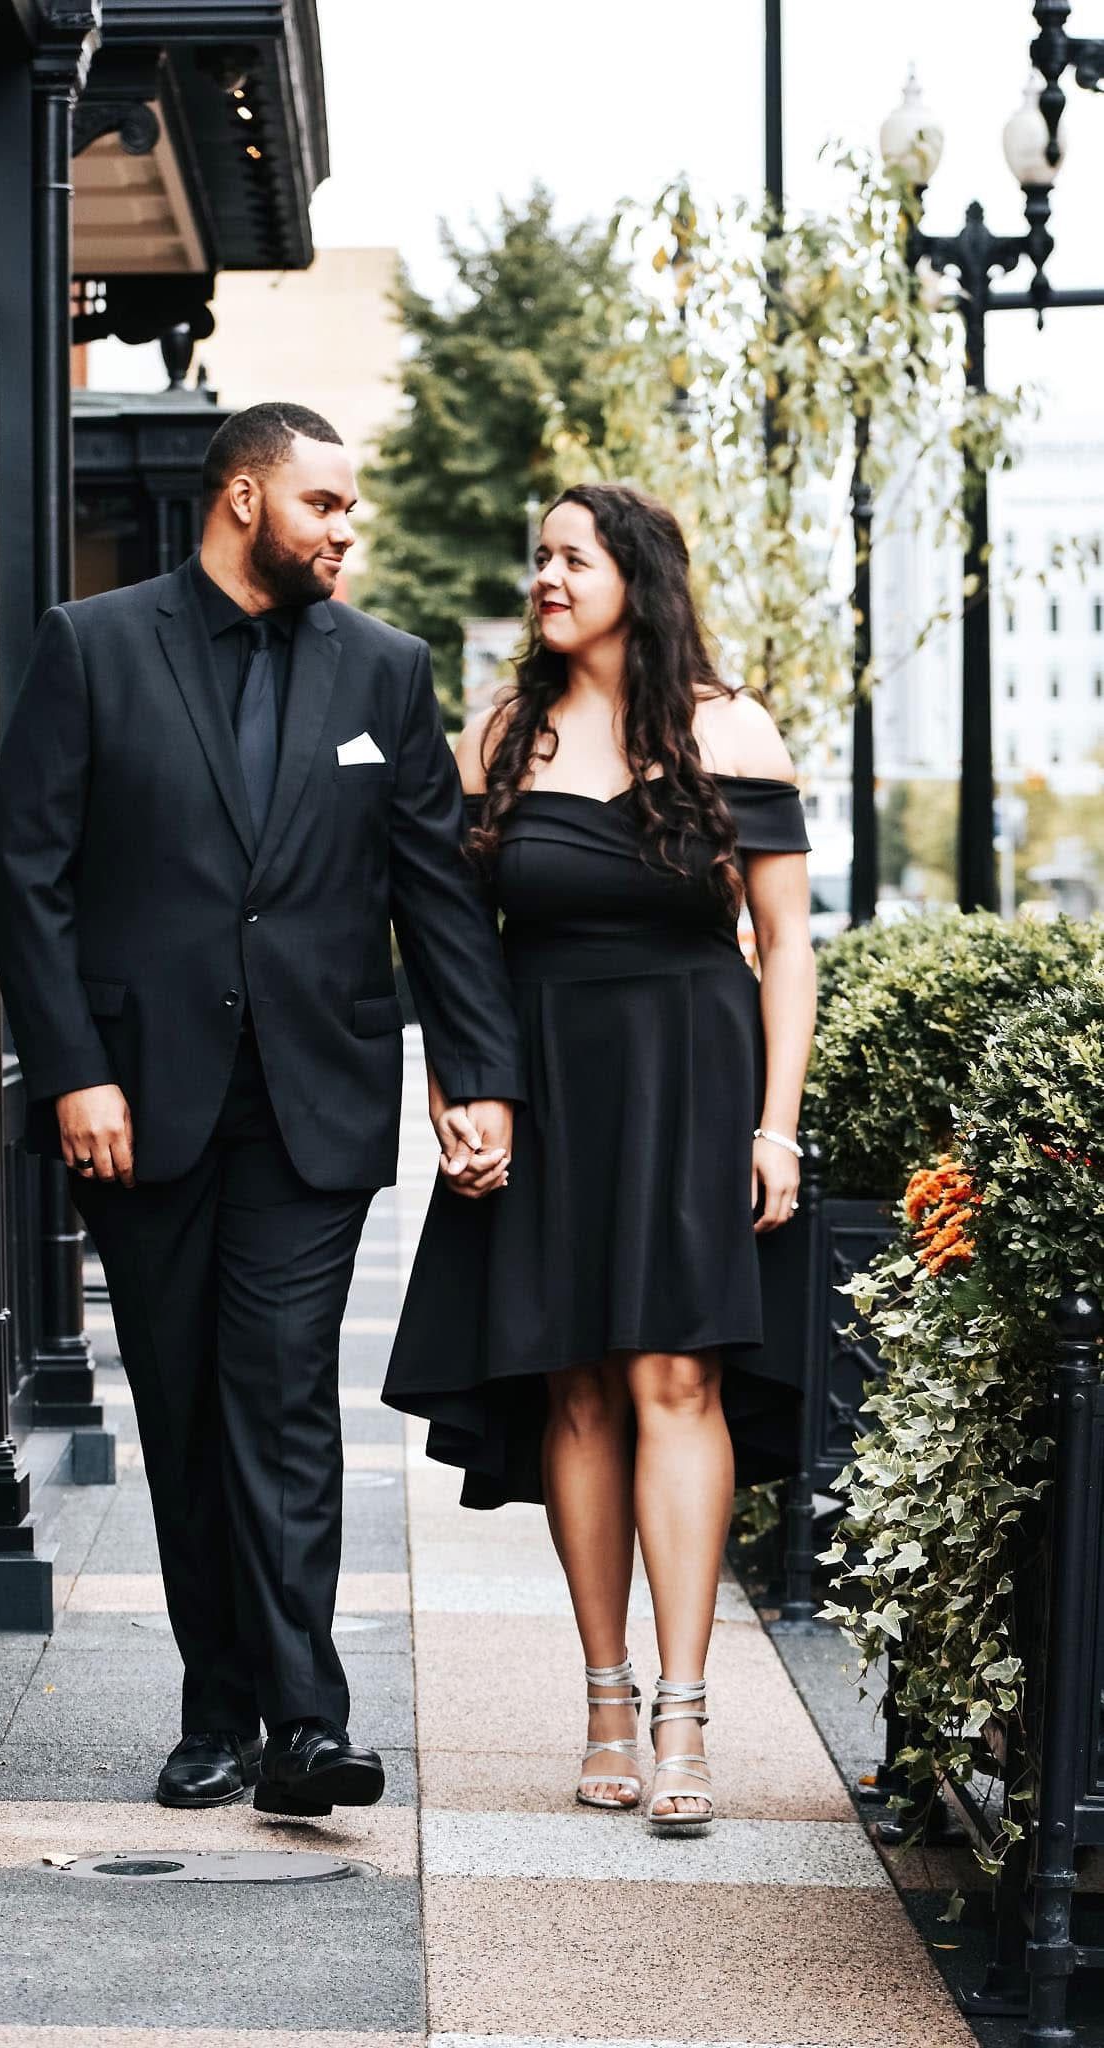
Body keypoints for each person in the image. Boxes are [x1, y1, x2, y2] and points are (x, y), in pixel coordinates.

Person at [0, 402, 521, 1817]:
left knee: (282, 1396)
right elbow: (24, 879)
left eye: (351, 510)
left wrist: (477, 1077)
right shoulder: (91, 645)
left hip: (311, 1099)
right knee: (182, 1407)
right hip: (137, 1102)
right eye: (325, 505)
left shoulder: (386, 674)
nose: (349, 529)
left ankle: (301, 1721)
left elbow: (437, 901)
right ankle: (212, 1709)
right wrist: (70, 1073)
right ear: (240, 499)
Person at [384, 484, 816, 1833]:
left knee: (675, 1371)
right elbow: (448, 946)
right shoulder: (501, 734)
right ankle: (606, 1704)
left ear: (638, 573)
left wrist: (777, 1121)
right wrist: (462, 1099)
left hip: (692, 1071)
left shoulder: (730, 727)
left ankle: (688, 1713)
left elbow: (787, 942)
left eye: (571, 557)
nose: (546, 578)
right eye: (539, 559)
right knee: (574, 1384)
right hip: (547, 1074)